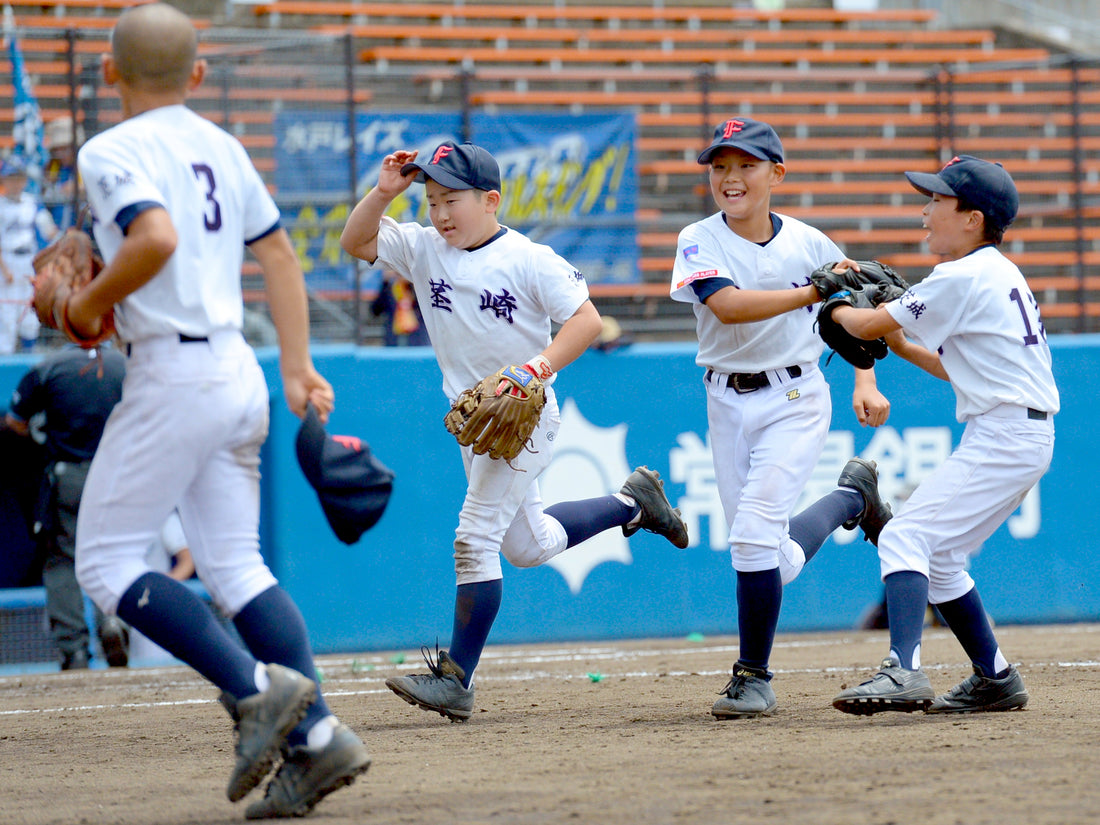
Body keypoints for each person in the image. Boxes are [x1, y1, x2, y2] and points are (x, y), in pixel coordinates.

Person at [63, 4, 369, 817]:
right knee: (235, 567)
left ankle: (250, 689)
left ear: (107, 74)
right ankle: (319, 738)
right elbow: (275, 251)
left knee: (104, 562)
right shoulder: (222, 145)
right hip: (239, 366)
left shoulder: (110, 147)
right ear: (198, 76)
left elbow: (154, 238)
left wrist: (87, 305)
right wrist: (297, 365)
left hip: (173, 372)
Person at [340, 140, 690, 722]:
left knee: (473, 539)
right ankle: (633, 504)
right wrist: (383, 193)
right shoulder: (424, 248)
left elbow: (587, 321)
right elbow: (355, 241)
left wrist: (534, 370)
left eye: (453, 198)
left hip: (525, 414)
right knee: (527, 546)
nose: (441, 212)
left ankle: (457, 679)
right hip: (477, 423)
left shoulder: (530, 259)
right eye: (432, 199)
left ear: (492, 200)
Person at [669, 117, 894, 719]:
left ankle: (753, 677)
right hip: (724, 400)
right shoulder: (698, 238)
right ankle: (853, 500)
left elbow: (859, 313)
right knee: (765, 553)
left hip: (795, 398)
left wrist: (865, 378)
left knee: (749, 540)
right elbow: (728, 306)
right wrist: (811, 294)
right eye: (720, 166)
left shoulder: (811, 243)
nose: (731, 177)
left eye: (746, 165)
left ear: (777, 173)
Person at [827, 155, 1058, 715]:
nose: (925, 211)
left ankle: (903, 672)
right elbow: (950, 364)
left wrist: (832, 301)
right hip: (1015, 430)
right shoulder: (995, 271)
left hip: (1005, 434)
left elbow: (863, 325)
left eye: (937, 201)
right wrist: (890, 328)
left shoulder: (964, 275)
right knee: (943, 562)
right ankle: (995, 677)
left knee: (906, 538)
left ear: (973, 217)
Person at [4, 343, 127, 670]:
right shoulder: (123, 364)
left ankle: (73, 648)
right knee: (114, 554)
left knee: (63, 559)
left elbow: (15, 422)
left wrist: (41, 437)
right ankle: (114, 623)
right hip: (115, 474)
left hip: (67, 474)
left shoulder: (50, 366)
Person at [0, 154, 59, 354]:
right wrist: (4, 269)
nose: (16, 183)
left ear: (25, 180)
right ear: (3, 180)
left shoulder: (32, 203)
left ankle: (28, 356)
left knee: (30, 311)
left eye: (19, 178)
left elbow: (49, 231)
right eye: (11, 178)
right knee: (6, 314)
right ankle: (5, 363)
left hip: (30, 261)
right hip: (6, 260)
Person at [42, 116, 84, 231]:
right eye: (57, 150)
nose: (61, 154)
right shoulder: (52, 169)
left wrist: (79, 189)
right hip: (57, 231)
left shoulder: (84, 167)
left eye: (65, 149)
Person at [370, 268, 430, 346]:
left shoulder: (416, 289)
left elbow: (427, 308)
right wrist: (385, 283)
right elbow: (375, 310)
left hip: (416, 338)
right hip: (394, 337)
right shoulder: (389, 289)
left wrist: (413, 282)